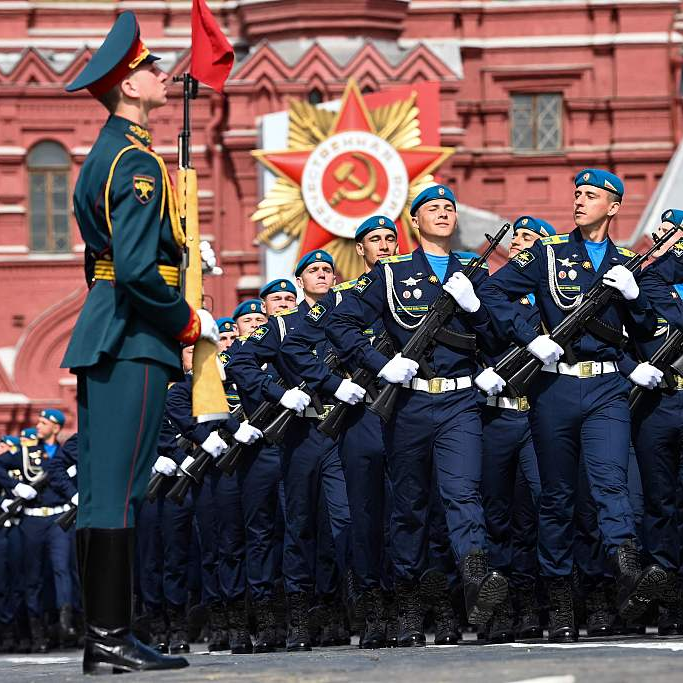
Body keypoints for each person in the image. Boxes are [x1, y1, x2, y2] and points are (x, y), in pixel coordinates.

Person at [62, 10, 220, 673]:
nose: (163, 75)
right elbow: (130, 268)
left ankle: (103, 636)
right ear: (129, 86)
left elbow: (104, 261)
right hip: (134, 336)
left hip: (106, 330)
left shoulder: (106, 155)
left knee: (102, 490)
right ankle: (109, 635)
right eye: (152, 68)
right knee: (122, 489)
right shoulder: (137, 162)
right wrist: (185, 319)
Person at [479, 168, 666, 642]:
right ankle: (561, 602)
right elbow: (493, 293)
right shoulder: (547, 253)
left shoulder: (628, 262)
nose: (580, 200)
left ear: (615, 206)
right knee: (557, 498)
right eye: (577, 193)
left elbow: (646, 330)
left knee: (609, 483)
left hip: (605, 388)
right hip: (554, 389)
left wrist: (635, 294)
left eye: (592, 195)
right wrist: (531, 336)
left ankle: (624, 575)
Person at [327, 185, 508, 646]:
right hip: (407, 404)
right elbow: (340, 322)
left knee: (463, 494)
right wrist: (380, 363)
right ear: (415, 221)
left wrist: (475, 306)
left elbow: (497, 336)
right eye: (434, 208)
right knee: (409, 510)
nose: (445, 213)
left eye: (450, 208)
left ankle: (475, 580)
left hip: (460, 401)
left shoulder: (473, 270)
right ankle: (409, 606)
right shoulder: (391, 272)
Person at [280, 216, 400, 648]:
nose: (384, 246)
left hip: (415, 413)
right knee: (355, 519)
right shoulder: (343, 299)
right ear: (362, 250)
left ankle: (407, 610)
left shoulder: (416, 288)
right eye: (375, 240)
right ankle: (365, 613)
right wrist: (335, 384)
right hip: (361, 417)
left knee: (405, 516)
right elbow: (292, 345)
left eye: (391, 239)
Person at [229, 250, 353, 652]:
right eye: (313, 270)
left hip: (347, 429)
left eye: (327, 270)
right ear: (300, 281)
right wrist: (280, 395)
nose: (321, 274)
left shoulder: (350, 314)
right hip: (303, 433)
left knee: (344, 522)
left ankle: (340, 610)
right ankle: (297, 620)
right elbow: (240, 363)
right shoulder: (282, 326)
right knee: (299, 526)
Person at [475, 216, 552, 642]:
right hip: (496, 414)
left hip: (535, 414)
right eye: (517, 238)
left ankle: (532, 602)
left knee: (537, 511)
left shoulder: (551, 292)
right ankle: (497, 606)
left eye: (531, 239)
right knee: (495, 512)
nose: (521, 243)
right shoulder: (491, 291)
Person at [635, 209, 683, 635]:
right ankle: (666, 598)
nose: (664, 239)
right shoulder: (649, 280)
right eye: (660, 233)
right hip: (661, 402)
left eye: (673, 234)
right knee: (659, 503)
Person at [0, 409, 75, 653]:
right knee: (33, 578)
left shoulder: (65, 452)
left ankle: (66, 624)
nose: (38, 425)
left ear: (56, 427)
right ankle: (38, 633)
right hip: (32, 521)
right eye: (39, 421)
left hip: (58, 518)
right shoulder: (25, 452)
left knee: (62, 569)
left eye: (44, 422)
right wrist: (17, 486)